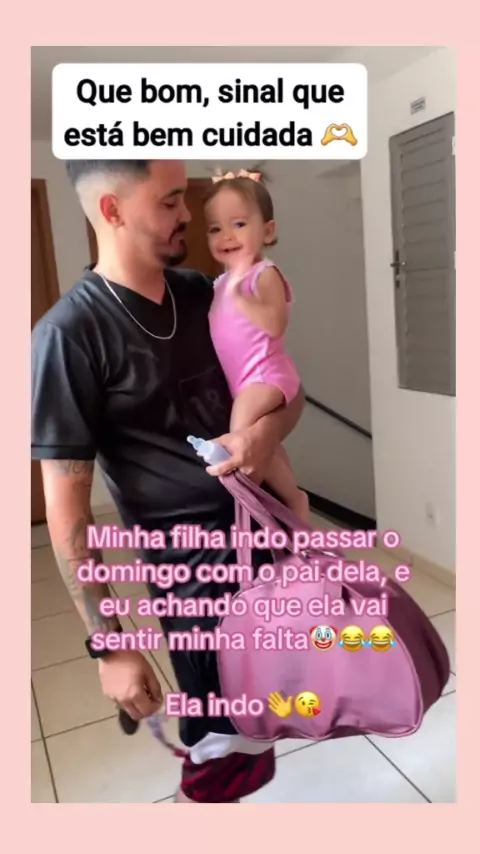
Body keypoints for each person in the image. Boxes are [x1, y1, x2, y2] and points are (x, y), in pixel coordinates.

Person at [31, 160, 305, 804]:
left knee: (268, 726)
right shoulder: (68, 336)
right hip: (197, 588)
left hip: (270, 553)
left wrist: (261, 438)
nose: (189, 215)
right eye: (171, 201)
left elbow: (286, 390)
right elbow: (68, 513)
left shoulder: (206, 292)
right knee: (217, 752)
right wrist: (110, 647)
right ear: (112, 211)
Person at [204, 167, 309, 523]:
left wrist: (239, 296)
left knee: (242, 437)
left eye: (238, 224)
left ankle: (257, 506)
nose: (226, 236)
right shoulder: (221, 282)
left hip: (266, 375)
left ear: (268, 230)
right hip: (244, 381)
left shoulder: (263, 274)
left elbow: (275, 324)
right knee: (268, 445)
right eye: (215, 228)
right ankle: (292, 499)